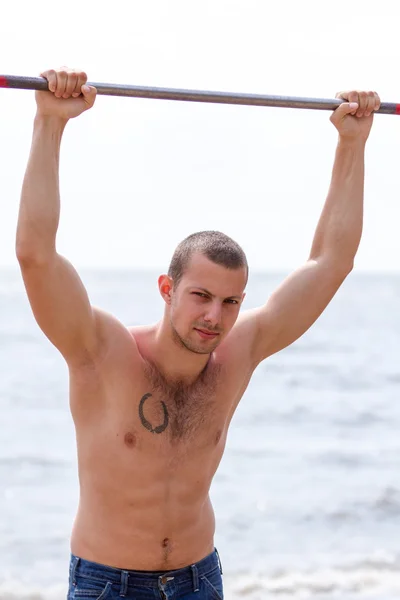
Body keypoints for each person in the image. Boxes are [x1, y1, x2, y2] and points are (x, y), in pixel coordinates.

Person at [16, 67, 380, 600]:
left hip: (197, 579)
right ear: (167, 287)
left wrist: (354, 142)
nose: (215, 315)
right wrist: (50, 124)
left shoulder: (240, 354)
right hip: (108, 584)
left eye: (231, 301)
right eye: (201, 296)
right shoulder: (101, 351)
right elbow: (35, 256)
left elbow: (331, 261)